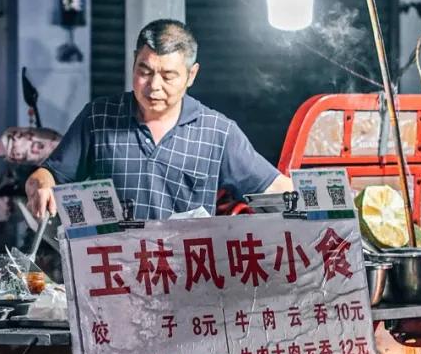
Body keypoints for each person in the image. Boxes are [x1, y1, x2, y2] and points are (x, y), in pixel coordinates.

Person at [26, 19, 294, 223]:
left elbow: (276, 189)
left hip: (185, 279)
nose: (153, 86)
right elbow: (49, 173)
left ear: (191, 75)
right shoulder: (98, 117)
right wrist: (42, 185)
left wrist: (325, 210)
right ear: (134, 63)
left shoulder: (217, 132)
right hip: (110, 275)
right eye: (144, 71)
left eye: (168, 76)